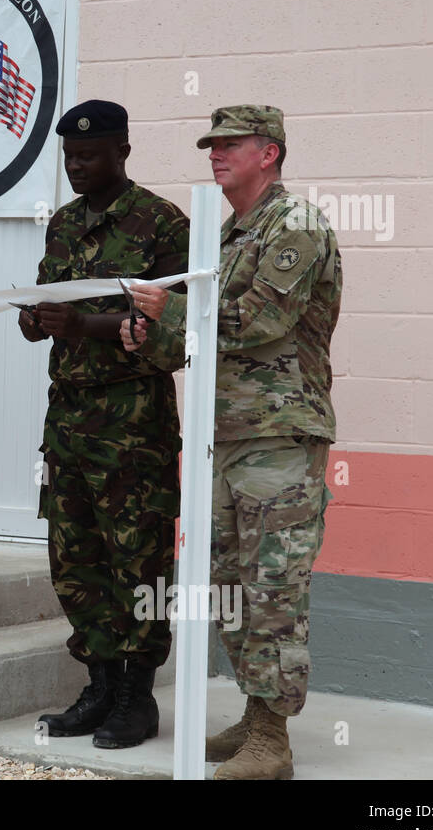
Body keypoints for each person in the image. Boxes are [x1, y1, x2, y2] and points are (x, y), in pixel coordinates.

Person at [125, 105, 342, 779]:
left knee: (272, 585)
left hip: (279, 437)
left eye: (229, 145)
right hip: (226, 437)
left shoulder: (296, 226)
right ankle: (256, 715)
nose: (215, 155)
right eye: (211, 146)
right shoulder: (227, 236)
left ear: (268, 153)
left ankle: (273, 740)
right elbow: (203, 339)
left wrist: (175, 311)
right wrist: (150, 334)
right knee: (229, 583)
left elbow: (258, 322)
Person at [18, 100, 190, 749]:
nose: (77, 167)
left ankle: (135, 698)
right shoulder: (62, 226)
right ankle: (97, 685)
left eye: (88, 156)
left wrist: (85, 326)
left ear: (123, 150)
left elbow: (177, 333)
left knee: (137, 563)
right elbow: (44, 308)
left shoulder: (163, 226)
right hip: (69, 424)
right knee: (75, 560)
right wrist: (34, 321)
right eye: (69, 158)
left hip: (133, 429)